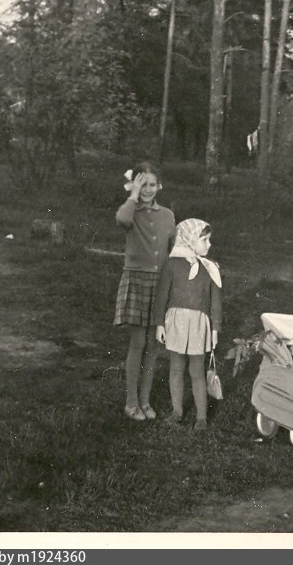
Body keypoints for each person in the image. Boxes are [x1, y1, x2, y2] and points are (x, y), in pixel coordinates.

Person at [113, 162, 176, 422]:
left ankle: (146, 400)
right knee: (138, 343)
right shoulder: (132, 211)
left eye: (152, 184)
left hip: (160, 283)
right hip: (137, 281)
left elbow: (174, 249)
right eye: (142, 184)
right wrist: (133, 195)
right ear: (134, 185)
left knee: (153, 346)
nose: (147, 190)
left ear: (159, 186)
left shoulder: (168, 215)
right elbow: (121, 219)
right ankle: (131, 403)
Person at [152, 218, 223, 431]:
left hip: (199, 324)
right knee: (175, 367)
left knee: (197, 371)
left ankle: (201, 416)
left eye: (209, 240)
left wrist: (216, 328)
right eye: (205, 240)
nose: (209, 245)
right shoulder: (172, 264)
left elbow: (216, 300)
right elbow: (162, 296)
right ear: (190, 239)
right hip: (177, 322)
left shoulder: (210, 268)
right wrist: (159, 323)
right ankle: (177, 411)